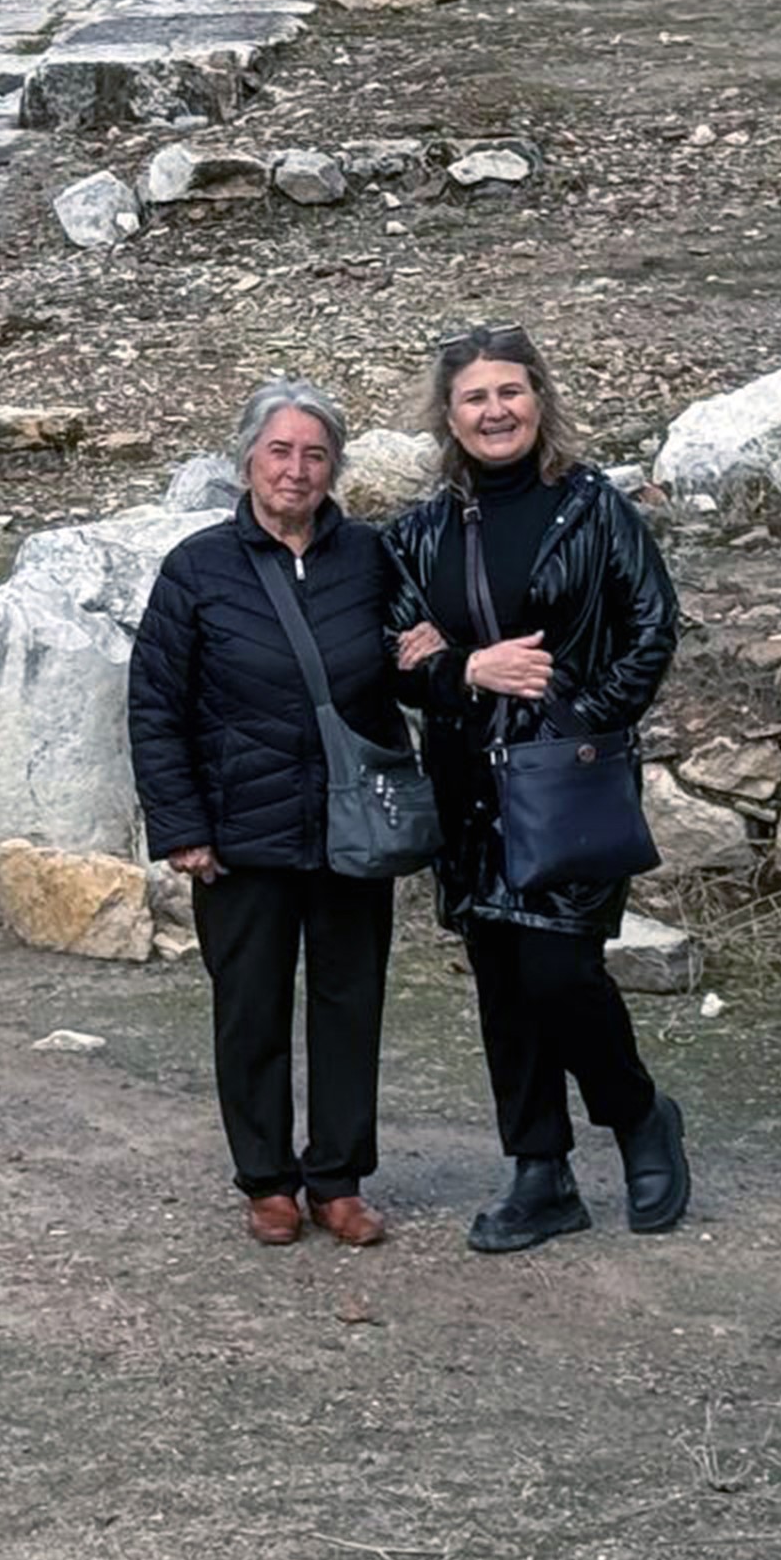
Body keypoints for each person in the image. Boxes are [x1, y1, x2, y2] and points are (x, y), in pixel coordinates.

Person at [387, 324, 689, 1254]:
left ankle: (638, 1114)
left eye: (510, 392)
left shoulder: (596, 510)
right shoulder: (420, 530)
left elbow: (652, 625)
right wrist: (468, 671)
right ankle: (539, 1171)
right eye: (475, 397)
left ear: (540, 400)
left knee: (560, 967)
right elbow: (399, 653)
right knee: (500, 979)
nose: (495, 410)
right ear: (449, 415)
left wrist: (574, 715)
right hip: (468, 783)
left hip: (568, 780)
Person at [128, 379, 407, 1249]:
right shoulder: (199, 568)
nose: (296, 470)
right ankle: (266, 1180)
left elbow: (406, 660)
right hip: (238, 833)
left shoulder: (369, 557)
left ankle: (337, 1179)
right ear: (247, 458)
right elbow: (155, 705)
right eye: (280, 451)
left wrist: (439, 658)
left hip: (348, 826)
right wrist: (181, 827)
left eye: (314, 454)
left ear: (335, 468)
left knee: (349, 1001)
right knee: (249, 1008)